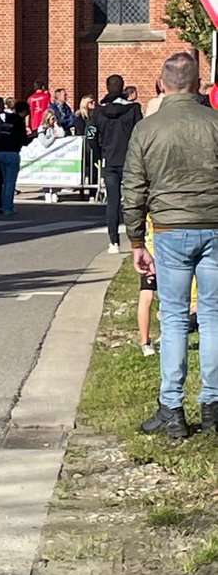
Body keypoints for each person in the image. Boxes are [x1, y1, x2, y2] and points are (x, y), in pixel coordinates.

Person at [123, 51, 218, 439]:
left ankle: (172, 408)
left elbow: (133, 189)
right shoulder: (215, 123)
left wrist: (135, 240)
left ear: (162, 84)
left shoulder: (147, 129)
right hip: (214, 225)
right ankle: (212, 405)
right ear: (198, 84)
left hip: (169, 229)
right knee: (212, 317)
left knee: (176, 317)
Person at [92, 74, 143, 253]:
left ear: (107, 88)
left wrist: (99, 154)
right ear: (123, 89)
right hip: (131, 160)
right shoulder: (134, 109)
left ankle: (114, 241)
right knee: (135, 200)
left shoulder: (98, 111)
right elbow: (141, 133)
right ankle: (137, 240)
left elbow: (90, 134)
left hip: (109, 160)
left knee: (112, 202)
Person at [0, 100, 31, 215]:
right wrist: (34, 136)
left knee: (4, 181)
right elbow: (23, 141)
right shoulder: (19, 122)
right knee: (10, 182)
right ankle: (8, 208)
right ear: (25, 111)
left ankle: (2, 204)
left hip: (1, 152)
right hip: (12, 153)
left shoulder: (6, 121)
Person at [138, 215, 158, 357]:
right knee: (147, 296)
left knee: (168, 298)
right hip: (152, 253)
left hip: (162, 251)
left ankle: (148, 342)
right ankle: (145, 341)